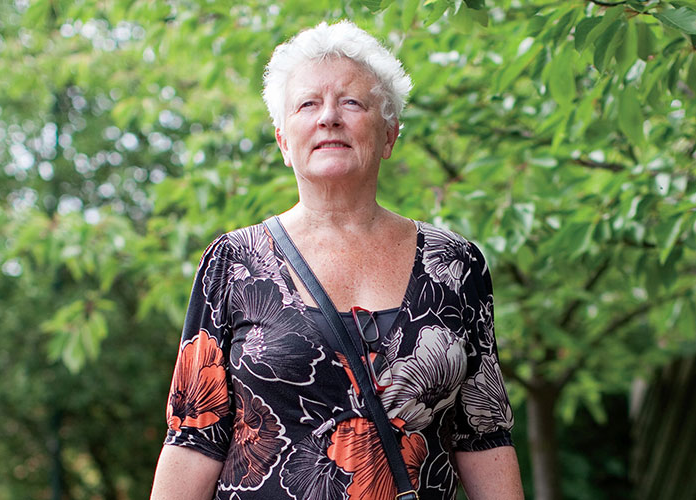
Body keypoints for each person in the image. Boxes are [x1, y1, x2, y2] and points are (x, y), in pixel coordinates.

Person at [148, 20, 524, 500]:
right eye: (308, 104)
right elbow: (193, 438)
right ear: (284, 142)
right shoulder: (233, 262)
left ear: (389, 136)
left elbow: (483, 432)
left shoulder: (456, 263)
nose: (329, 118)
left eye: (352, 102)